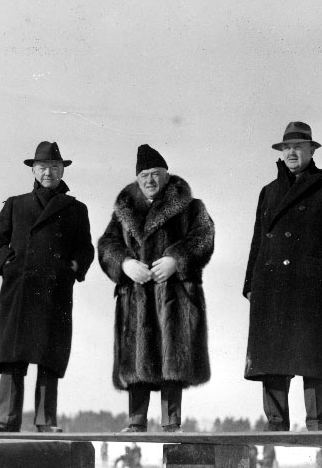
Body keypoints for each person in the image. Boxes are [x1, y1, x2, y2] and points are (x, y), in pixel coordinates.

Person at [243, 121, 322, 432]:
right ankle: (276, 423)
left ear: (312, 151)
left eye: (298, 147)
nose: (291, 152)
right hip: (270, 286)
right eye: (287, 148)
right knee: (271, 359)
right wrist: (250, 285)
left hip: (312, 286)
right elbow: (258, 241)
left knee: (313, 358)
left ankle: (319, 426)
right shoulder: (268, 192)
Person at [97, 144, 214, 433]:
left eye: (155, 174)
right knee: (137, 361)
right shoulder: (123, 212)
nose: (149, 180)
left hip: (175, 295)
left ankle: (171, 422)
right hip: (136, 295)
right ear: (137, 179)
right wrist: (125, 264)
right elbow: (107, 245)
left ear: (166, 175)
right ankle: (136, 421)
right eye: (144, 175)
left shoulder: (192, 207)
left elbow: (204, 237)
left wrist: (177, 259)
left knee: (173, 360)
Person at [0, 141, 94, 432]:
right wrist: (8, 264)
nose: (49, 173)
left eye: (55, 167)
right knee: (13, 355)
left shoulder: (76, 209)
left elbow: (85, 249)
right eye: (43, 167)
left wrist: (72, 268)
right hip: (19, 288)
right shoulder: (16, 204)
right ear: (33, 170)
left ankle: (46, 421)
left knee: (49, 356)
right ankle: (7, 420)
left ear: (62, 171)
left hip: (55, 289)